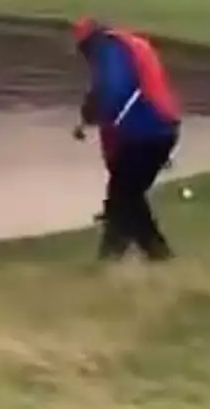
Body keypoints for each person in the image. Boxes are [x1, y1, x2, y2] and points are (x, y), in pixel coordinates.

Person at [71, 16, 182, 262]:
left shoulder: (109, 49)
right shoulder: (129, 45)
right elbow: (111, 88)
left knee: (124, 196)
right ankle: (123, 257)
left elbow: (113, 88)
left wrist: (95, 112)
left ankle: (152, 256)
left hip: (144, 130)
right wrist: (91, 113)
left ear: (90, 42)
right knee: (126, 196)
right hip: (161, 129)